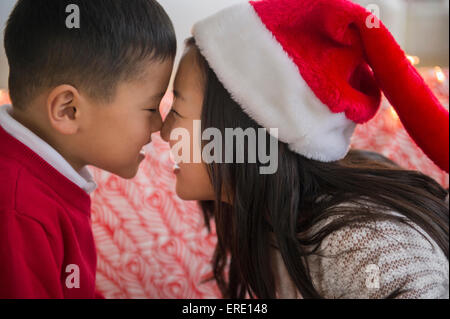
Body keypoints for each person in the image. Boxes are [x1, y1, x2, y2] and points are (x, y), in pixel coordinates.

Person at [161, 0, 449, 298]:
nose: (163, 131)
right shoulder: (270, 223)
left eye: (176, 112)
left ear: (246, 129)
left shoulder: (367, 247)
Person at [0, 0, 176, 298]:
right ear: (69, 110)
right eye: (150, 107)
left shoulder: (46, 175)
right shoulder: (17, 210)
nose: (160, 125)